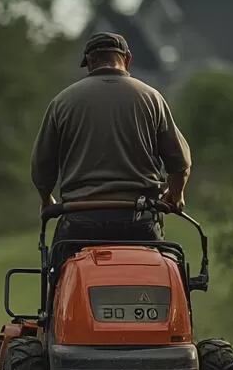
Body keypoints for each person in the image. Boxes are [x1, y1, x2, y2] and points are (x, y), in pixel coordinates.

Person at [30, 31, 192, 277]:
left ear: (90, 62)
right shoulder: (151, 98)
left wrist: (46, 200)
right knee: (164, 279)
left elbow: (42, 167)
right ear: (127, 60)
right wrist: (176, 194)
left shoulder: (62, 102)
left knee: (56, 280)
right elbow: (179, 163)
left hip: (80, 222)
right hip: (139, 221)